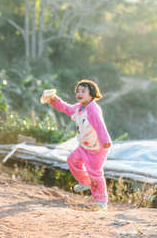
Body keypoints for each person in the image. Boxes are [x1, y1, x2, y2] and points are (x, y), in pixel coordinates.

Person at [41, 79, 112, 210]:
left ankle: (101, 201)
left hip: (97, 148)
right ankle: (85, 181)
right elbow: (66, 108)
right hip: (83, 147)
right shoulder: (79, 108)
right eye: (78, 91)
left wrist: (105, 140)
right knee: (72, 160)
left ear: (92, 94)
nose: (79, 93)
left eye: (83, 91)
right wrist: (53, 99)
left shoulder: (92, 109)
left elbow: (100, 125)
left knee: (95, 174)